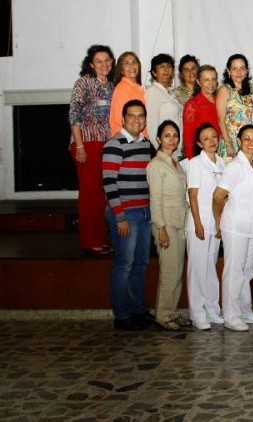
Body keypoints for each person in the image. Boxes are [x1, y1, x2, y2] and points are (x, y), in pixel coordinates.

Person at [103, 99, 154, 330]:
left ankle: (138, 311)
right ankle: (121, 316)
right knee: (124, 264)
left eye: (140, 115)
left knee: (140, 263)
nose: (136, 120)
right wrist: (120, 216)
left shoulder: (146, 143)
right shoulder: (115, 144)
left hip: (144, 211)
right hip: (125, 213)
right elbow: (109, 184)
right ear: (123, 119)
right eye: (131, 116)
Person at [212, 125, 253, 331]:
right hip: (235, 226)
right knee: (234, 271)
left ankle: (245, 310)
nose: (251, 143)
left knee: (247, 270)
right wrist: (218, 219)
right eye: (247, 139)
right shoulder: (235, 167)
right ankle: (231, 316)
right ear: (239, 141)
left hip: (251, 226)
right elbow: (217, 196)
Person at [69, 44, 115, 255]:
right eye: (99, 61)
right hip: (86, 143)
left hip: (106, 144)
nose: (104, 64)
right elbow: (74, 115)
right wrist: (79, 146)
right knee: (89, 194)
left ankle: (101, 238)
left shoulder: (112, 86)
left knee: (102, 194)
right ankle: (89, 241)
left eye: (107, 60)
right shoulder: (84, 83)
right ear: (91, 64)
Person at [146, 120, 189, 330]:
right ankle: (163, 315)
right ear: (158, 139)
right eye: (167, 135)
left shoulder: (176, 163)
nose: (171, 139)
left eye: (175, 135)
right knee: (169, 272)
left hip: (179, 221)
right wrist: (161, 228)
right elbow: (155, 199)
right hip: (165, 224)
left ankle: (172, 312)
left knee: (177, 270)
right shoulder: (156, 165)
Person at [185, 122, 225, 330]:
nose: (211, 141)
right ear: (199, 143)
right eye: (206, 138)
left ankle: (212, 309)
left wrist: (219, 223)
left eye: (213, 137)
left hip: (214, 224)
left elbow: (221, 198)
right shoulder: (195, 164)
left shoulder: (221, 163)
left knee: (210, 268)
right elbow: (193, 195)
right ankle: (197, 314)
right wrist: (198, 223)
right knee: (198, 270)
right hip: (198, 224)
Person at [216, 54, 253, 158]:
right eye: (234, 69)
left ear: (247, 71)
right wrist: (229, 145)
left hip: (245, 142)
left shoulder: (248, 93)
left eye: (242, 68)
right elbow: (221, 120)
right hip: (230, 142)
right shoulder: (224, 90)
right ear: (228, 71)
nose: (239, 72)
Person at [145, 53, 183, 154]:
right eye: (162, 66)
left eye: (169, 66)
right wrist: (160, 152)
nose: (166, 70)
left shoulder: (170, 92)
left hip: (174, 149)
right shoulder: (153, 92)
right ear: (154, 72)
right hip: (163, 151)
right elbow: (151, 127)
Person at [183, 65, 221, 160]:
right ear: (199, 82)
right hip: (200, 154)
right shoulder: (192, 104)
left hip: (219, 151)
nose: (211, 83)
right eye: (206, 80)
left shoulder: (220, 100)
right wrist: (190, 160)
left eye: (213, 79)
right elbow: (188, 136)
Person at [109, 51, 145, 136]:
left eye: (134, 62)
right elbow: (119, 120)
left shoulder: (137, 88)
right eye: (126, 63)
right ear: (121, 70)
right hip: (127, 140)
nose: (132, 66)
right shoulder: (122, 88)